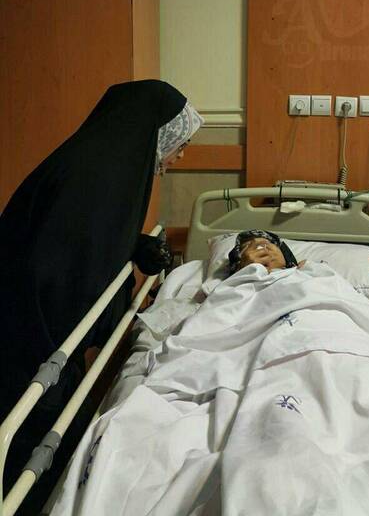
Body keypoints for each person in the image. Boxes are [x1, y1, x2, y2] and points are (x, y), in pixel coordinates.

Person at [0, 80, 202, 512]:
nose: (181, 156)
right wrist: (111, 319)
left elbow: (86, 243)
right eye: (181, 144)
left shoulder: (103, 165)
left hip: (37, 323)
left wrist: (138, 247)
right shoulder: (95, 178)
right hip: (27, 332)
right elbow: (58, 270)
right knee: (33, 449)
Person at [228, 230, 301, 275]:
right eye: (248, 246)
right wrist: (244, 273)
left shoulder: (302, 272)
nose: (261, 249)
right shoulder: (235, 286)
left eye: (266, 243)